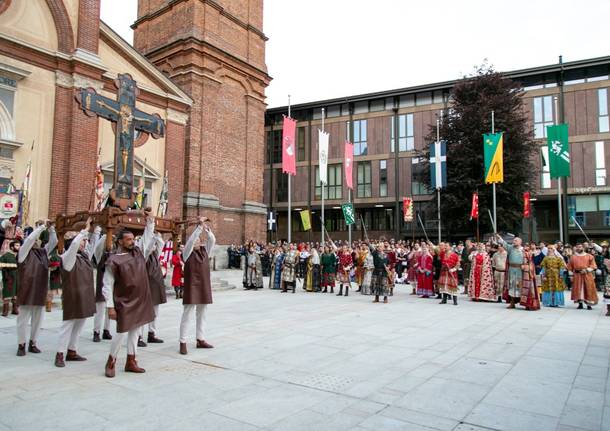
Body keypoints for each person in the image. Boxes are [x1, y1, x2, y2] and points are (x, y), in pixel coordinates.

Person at [102, 219, 156, 378]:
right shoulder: (113, 260)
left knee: (135, 331)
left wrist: (150, 219)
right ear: (120, 241)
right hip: (124, 302)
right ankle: (111, 361)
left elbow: (147, 236)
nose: (132, 242)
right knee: (121, 333)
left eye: (133, 239)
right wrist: (110, 306)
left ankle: (131, 361)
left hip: (140, 300)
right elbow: (107, 284)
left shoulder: (139, 252)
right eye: (129, 239)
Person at [54, 219, 98, 367]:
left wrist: (95, 229)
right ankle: (60, 353)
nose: (84, 243)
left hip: (85, 296)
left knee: (79, 325)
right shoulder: (67, 258)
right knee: (67, 325)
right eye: (82, 241)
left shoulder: (85, 257)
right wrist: (83, 231)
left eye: (85, 241)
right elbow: (73, 246)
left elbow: (93, 245)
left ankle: (72, 350)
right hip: (72, 296)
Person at [16, 220, 57, 356]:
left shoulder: (43, 252)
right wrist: (42, 227)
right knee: (22, 320)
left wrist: (51, 229)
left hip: (40, 290)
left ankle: (33, 342)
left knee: (37, 320)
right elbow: (29, 240)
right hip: (26, 291)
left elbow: (54, 242)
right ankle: (21, 344)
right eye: (34, 239)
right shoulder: (23, 253)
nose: (35, 242)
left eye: (36, 240)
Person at [179, 217, 215, 355]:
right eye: (194, 240)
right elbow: (189, 242)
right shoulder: (187, 254)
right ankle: (182, 341)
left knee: (202, 313)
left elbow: (212, 240)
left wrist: (207, 230)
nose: (196, 241)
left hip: (204, 285)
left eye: (198, 240)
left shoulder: (206, 252)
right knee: (187, 314)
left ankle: (200, 339)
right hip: (192, 286)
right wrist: (199, 227)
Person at [496, 235, 539, 311]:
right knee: (512, 287)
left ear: (520, 242)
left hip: (521, 272)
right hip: (512, 271)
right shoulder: (510, 248)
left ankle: (526, 304)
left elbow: (530, 262)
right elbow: (504, 244)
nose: (514, 242)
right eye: (513, 240)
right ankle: (512, 303)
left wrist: (525, 266)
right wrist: (499, 238)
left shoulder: (524, 250)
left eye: (516, 240)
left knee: (523, 288)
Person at [139, 232, 167, 345]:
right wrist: (152, 238)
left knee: (155, 312)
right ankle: (139, 336)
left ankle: (152, 334)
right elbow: (147, 249)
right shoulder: (143, 257)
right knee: (143, 312)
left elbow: (161, 244)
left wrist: (158, 236)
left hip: (156, 287)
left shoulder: (155, 255)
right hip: (146, 287)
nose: (154, 247)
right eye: (152, 245)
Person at [92, 233, 113, 342]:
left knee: (109, 309)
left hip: (112, 286)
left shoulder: (114, 254)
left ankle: (106, 330)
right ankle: (96, 331)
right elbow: (98, 246)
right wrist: (107, 235)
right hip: (102, 285)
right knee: (100, 310)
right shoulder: (100, 255)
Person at [567, 243, 598, 310]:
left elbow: (593, 266)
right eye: (577, 247)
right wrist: (571, 276)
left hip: (587, 275)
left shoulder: (589, 256)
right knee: (579, 289)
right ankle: (580, 304)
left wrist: (586, 270)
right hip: (577, 275)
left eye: (580, 247)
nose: (579, 248)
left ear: (583, 248)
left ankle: (589, 305)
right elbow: (569, 267)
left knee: (588, 288)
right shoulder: (573, 257)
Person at [1, 240, 19, 316]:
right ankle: (5, 310)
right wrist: (6, 276)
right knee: (7, 292)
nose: (19, 247)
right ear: (12, 247)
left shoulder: (19, 255)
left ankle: (14, 309)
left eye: (19, 245)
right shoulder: (6, 256)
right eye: (17, 245)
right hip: (9, 278)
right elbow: (2, 267)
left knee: (16, 293)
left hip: (17, 278)